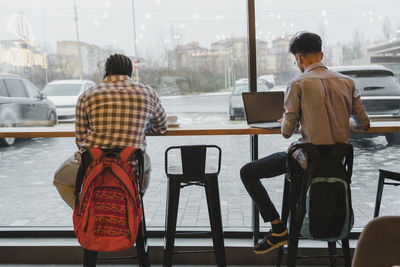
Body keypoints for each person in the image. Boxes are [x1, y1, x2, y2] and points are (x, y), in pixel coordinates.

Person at [240, 31, 370, 255]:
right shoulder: (347, 83)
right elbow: (364, 124)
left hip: (306, 163)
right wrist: (337, 120)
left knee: (248, 172)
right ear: (321, 53)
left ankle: (278, 228)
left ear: (299, 58)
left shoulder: (297, 84)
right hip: (337, 164)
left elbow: (287, 132)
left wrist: (287, 121)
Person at [74, 53, 167, 204]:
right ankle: (134, 200)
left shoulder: (87, 95)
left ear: (106, 71)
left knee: (60, 180)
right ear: (130, 73)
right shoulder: (148, 93)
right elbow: (162, 127)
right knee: (146, 161)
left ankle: (84, 209)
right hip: (131, 167)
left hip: (93, 166)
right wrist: (142, 125)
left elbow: (80, 140)